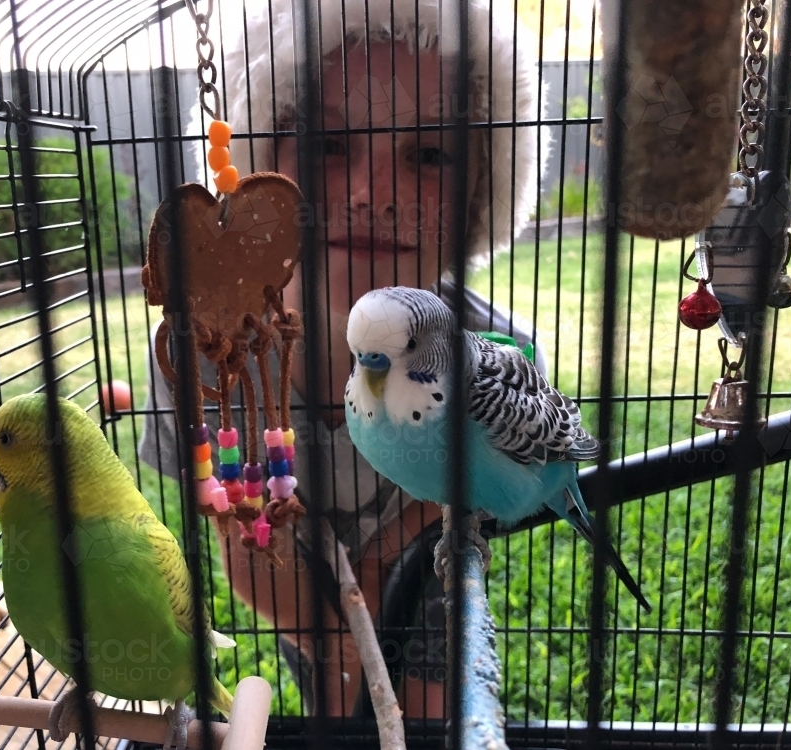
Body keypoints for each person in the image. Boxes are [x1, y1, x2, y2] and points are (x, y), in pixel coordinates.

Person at [139, 0, 545, 717]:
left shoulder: (491, 356)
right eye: (329, 146)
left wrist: (388, 561)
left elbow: (467, 491)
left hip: (426, 555)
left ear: (480, 191)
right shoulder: (203, 355)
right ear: (263, 172)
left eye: (427, 156)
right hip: (280, 565)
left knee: (423, 707)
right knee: (343, 703)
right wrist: (337, 643)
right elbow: (240, 541)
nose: (372, 196)